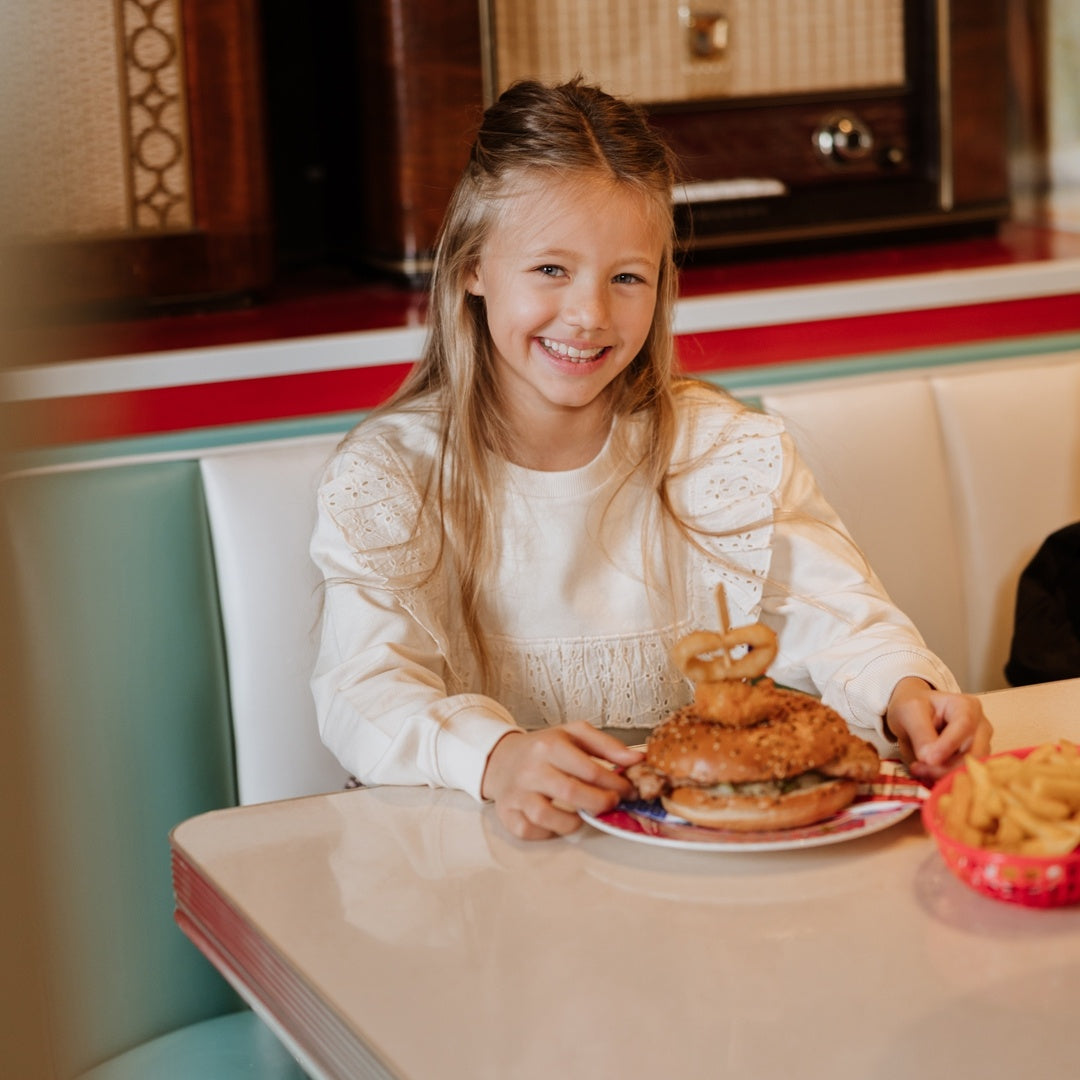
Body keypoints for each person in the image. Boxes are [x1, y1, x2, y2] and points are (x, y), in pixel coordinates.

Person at [311, 78, 991, 840]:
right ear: (473, 266)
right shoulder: (392, 475)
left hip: (677, 862)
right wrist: (497, 758)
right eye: (550, 270)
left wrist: (907, 693)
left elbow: (840, 620)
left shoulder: (720, 452)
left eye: (627, 277)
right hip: (473, 857)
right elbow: (363, 689)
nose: (590, 315)